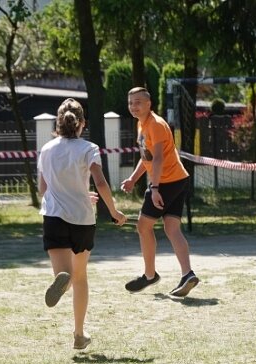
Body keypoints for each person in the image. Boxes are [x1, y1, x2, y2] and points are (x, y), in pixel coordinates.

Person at [38, 98, 126, 349]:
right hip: (82, 219)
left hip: (54, 216)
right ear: (82, 124)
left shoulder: (46, 150)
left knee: (63, 274)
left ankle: (61, 280)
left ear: (58, 123)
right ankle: (79, 333)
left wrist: (71, 192)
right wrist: (114, 211)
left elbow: (44, 189)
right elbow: (99, 182)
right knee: (80, 276)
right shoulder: (89, 148)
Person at [120, 87, 199, 297]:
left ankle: (149, 275)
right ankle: (187, 274)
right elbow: (146, 156)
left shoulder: (155, 124)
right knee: (172, 228)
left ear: (149, 103)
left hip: (166, 182)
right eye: (130, 103)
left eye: (138, 102)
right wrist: (133, 179)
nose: (133, 106)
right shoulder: (142, 124)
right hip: (178, 179)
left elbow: (158, 159)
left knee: (143, 226)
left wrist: (154, 188)